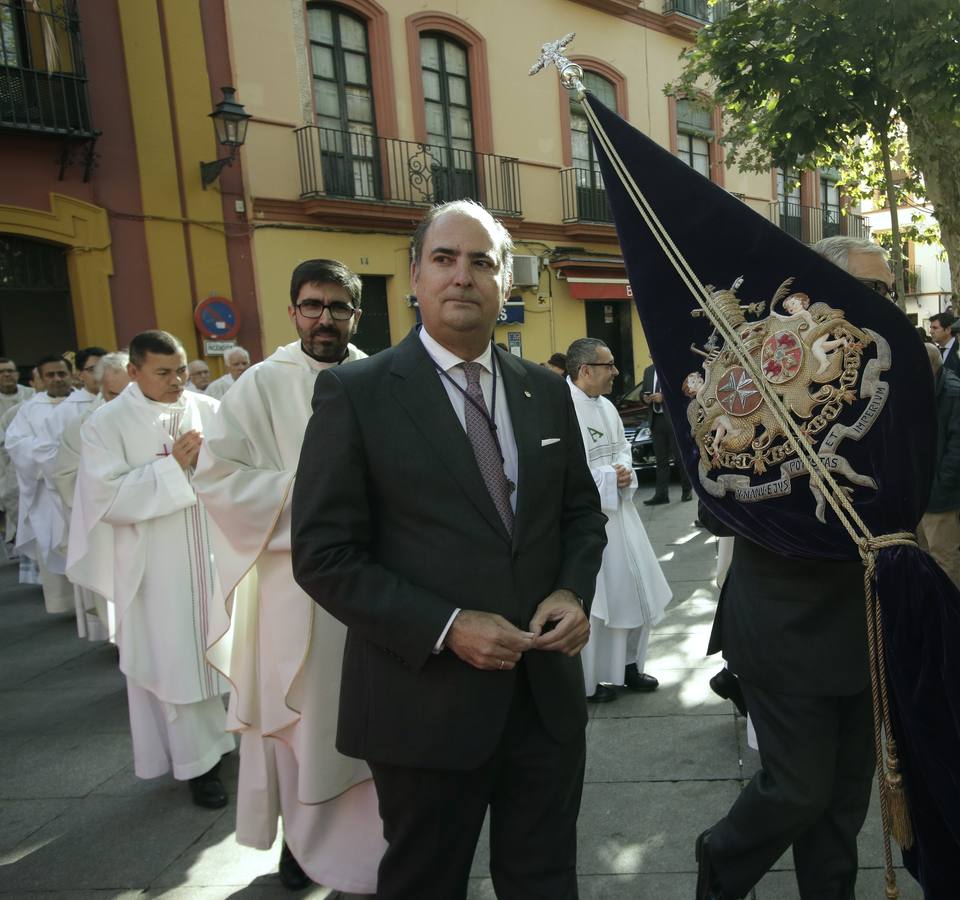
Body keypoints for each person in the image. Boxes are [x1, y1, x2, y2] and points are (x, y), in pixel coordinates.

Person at [290, 200, 607, 899]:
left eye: (482, 262)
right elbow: (321, 554)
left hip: (543, 701)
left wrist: (571, 590)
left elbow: (582, 513)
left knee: (546, 880)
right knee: (426, 884)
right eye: (444, 259)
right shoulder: (356, 393)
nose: (463, 276)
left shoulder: (545, 392)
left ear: (505, 283)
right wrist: (447, 626)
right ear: (414, 276)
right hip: (422, 707)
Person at [695, 235, 892, 900]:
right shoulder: (758, 371)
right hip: (783, 619)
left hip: (867, 618)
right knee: (798, 788)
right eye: (870, 289)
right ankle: (722, 861)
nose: (882, 303)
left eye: (889, 291)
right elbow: (720, 503)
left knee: (843, 799)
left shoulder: (901, 373)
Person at [198, 258, 383, 893]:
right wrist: (313, 493)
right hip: (291, 586)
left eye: (338, 307)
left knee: (369, 716)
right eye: (312, 305)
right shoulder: (258, 386)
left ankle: (378, 843)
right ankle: (300, 847)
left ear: (356, 314)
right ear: (293, 310)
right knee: (301, 716)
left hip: (371, 584)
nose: (324, 318)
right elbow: (218, 479)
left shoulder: (380, 377)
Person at [67, 330, 234, 808]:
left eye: (181, 368)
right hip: (156, 568)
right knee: (177, 660)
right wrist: (172, 468)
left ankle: (231, 738)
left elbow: (240, 467)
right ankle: (198, 765)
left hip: (215, 553)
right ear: (134, 372)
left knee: (228, 650)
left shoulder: (209, 408)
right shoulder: (107, 424)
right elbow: (105, 497)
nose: (177, 380)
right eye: (163, 372)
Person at [564, 337, 672, 703]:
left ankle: (628, 667)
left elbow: (622, 449)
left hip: (622, 517)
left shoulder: (607, 406)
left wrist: (623, 471)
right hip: (590, 523)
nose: (615, 372)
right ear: (584, 370)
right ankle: (593, 681)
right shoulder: (562, 409)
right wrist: (609, 478)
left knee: (635, 594)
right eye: (607, 365)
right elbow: (563, 473)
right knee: (600, 603)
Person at [50, 352, 129, 642]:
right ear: (100, 387)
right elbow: (64, 475)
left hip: (151, 520)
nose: (121, 401)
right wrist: (100, 500)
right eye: (113, 393)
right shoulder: (83, 426)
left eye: (128, 392)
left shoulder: (151, 417)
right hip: (105, 523)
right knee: (117, 598)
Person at [5, 354, 77, 615]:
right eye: (50, 375)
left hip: (81, 487)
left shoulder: (84, 403)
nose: (57, 379)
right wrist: (48, 455)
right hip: (47, 492)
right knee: (53, 541)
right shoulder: (30, 409)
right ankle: (65, 603)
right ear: (40, 378)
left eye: (61, 373)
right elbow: (15, 443)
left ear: (72, 374)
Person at [918, 341, 960, 585]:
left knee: (943, 559)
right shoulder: (921, 388)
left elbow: (958, 449)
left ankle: (949, 619)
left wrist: (939, 485)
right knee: (924, 558)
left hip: (940, 497)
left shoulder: (954, 393)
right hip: (920, 494)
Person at [641, 360, 692, 505]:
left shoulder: (671, 368)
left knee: (680, 458)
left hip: (673, 421)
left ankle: (687, 490)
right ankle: (661, 495)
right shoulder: (648, 371)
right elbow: (643, 391)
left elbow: (682, 393)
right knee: (661, 461)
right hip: (656, 421)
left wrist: (664, 397)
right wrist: (644, 398)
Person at [0, 357, 37, 556]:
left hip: (28, 460)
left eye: (10, 371)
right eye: (2, 372)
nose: (7, 375)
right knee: (13, 499)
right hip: (4, 461)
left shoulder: (31, 395)